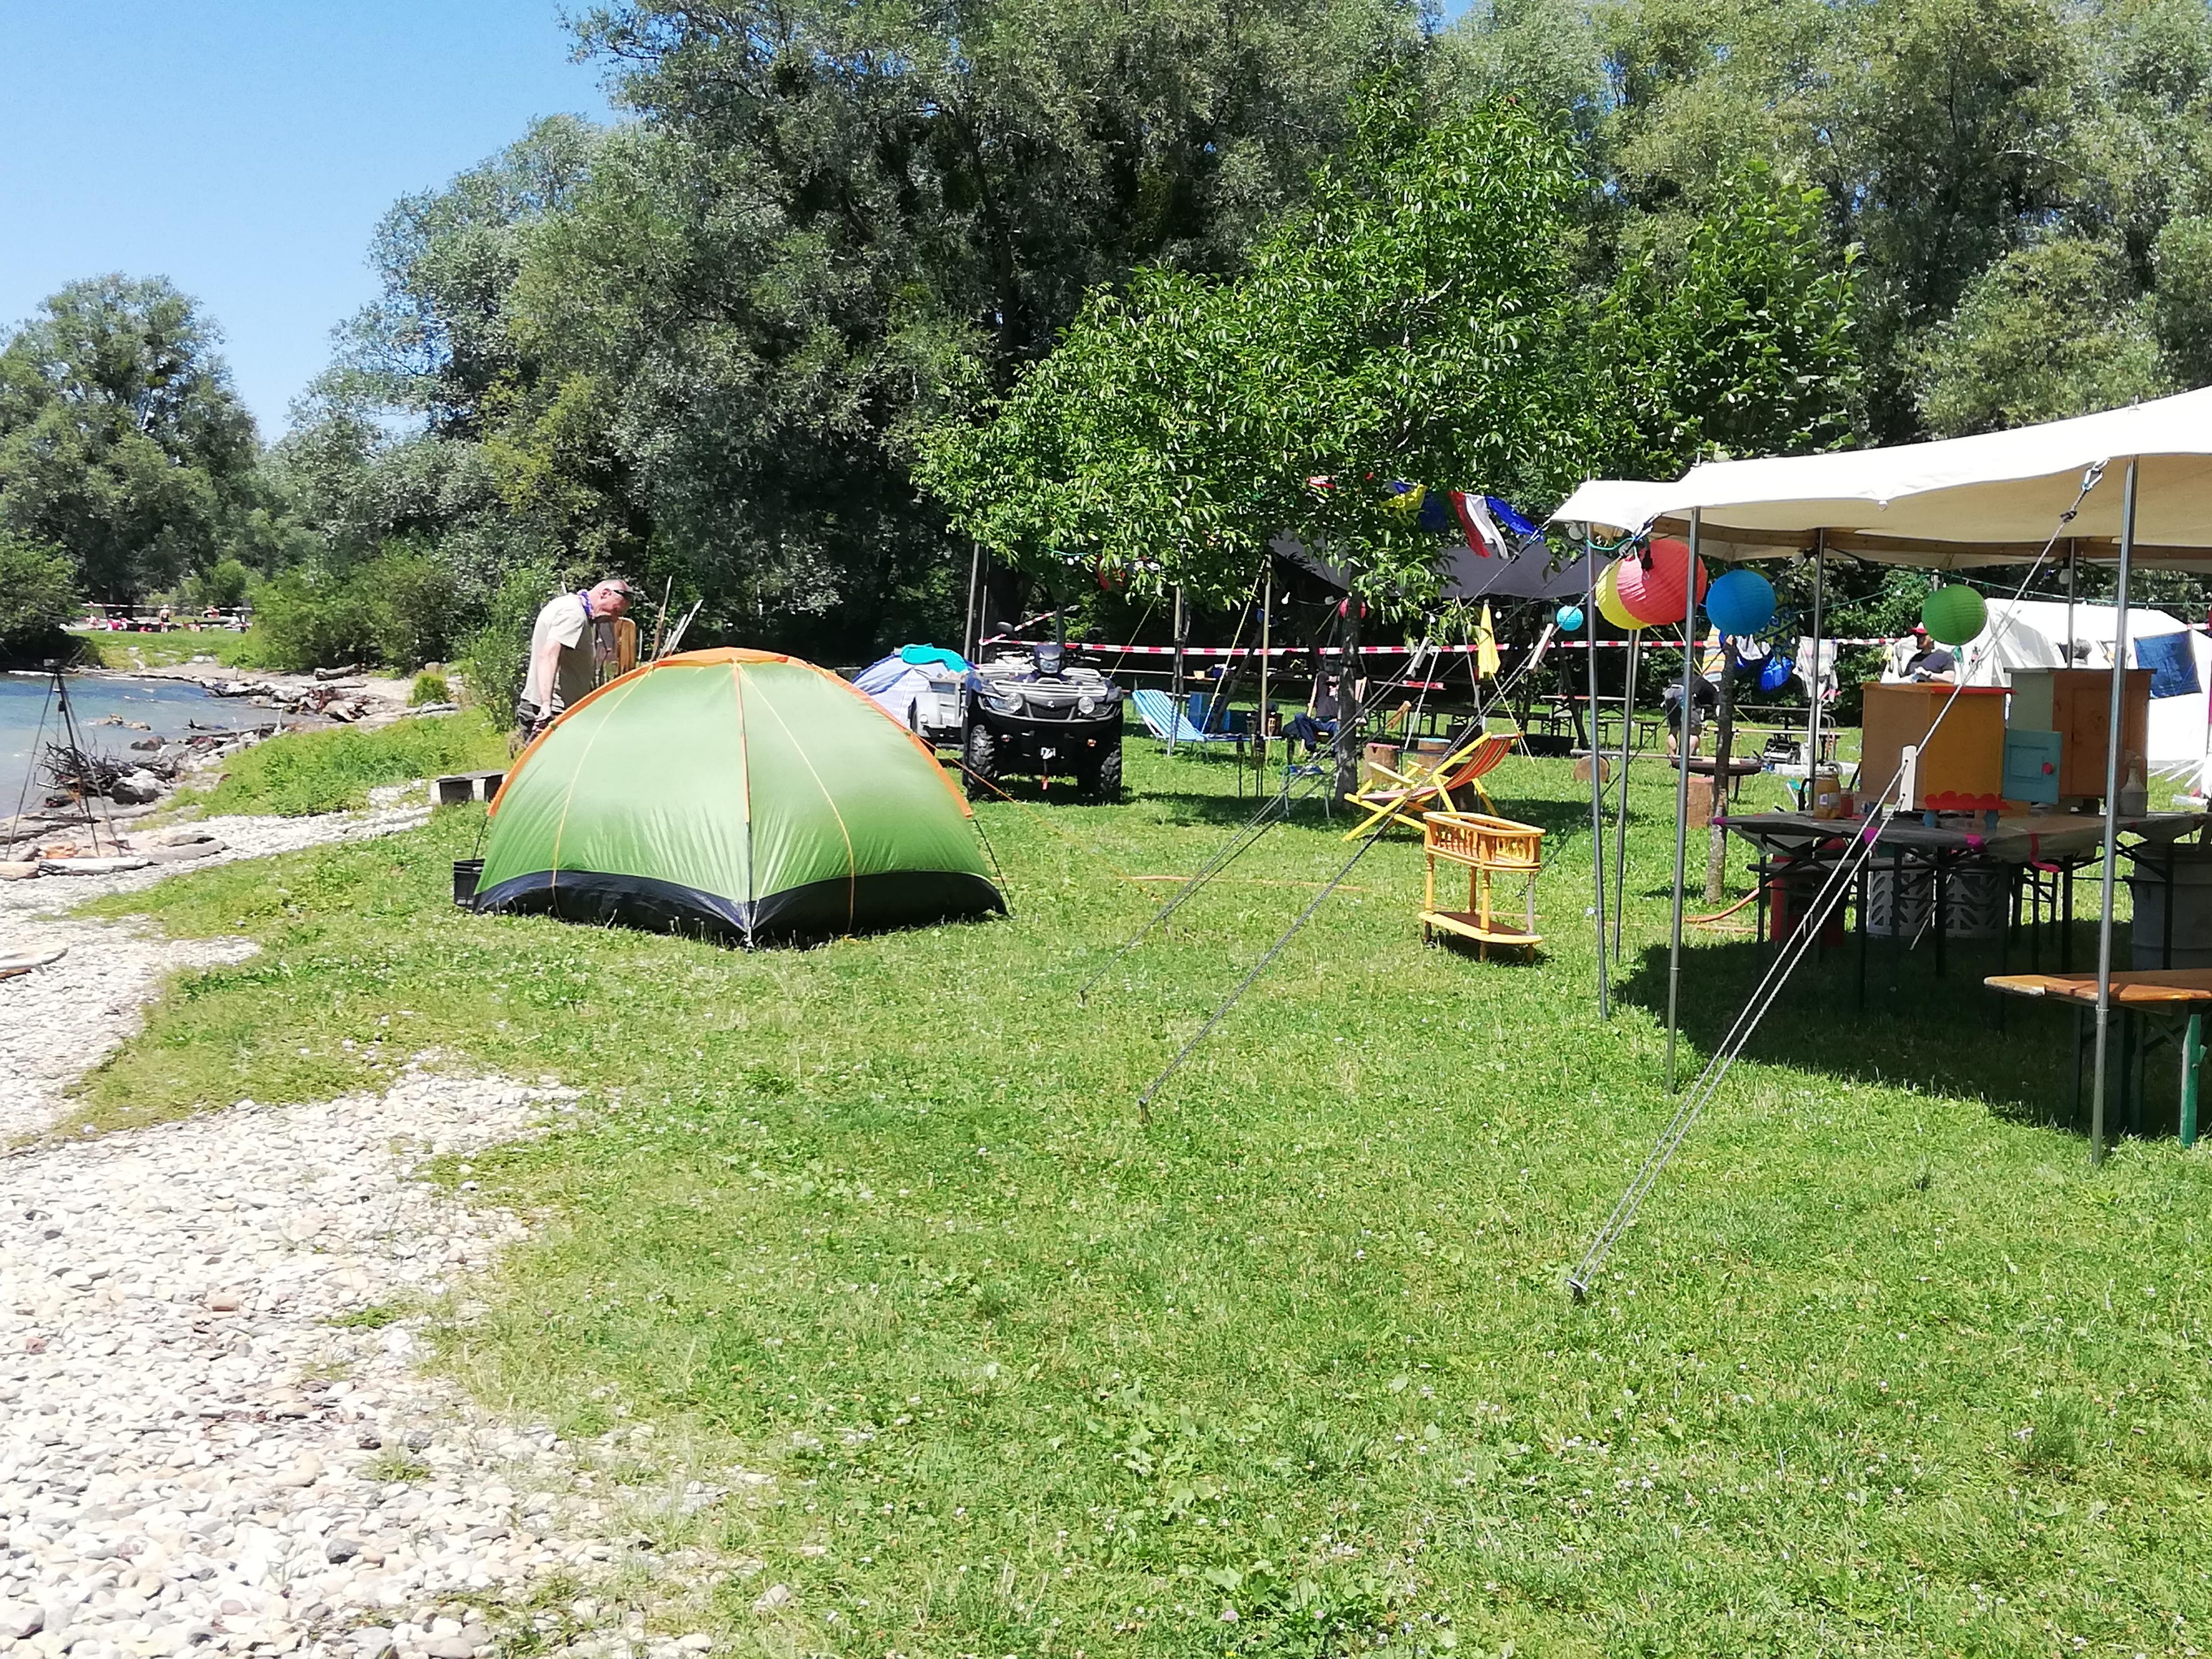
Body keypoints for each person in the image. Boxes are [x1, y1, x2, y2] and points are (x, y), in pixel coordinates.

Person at [516, 578, 637, 739]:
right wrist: (546, 706)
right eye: (616, 611)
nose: (615, 619)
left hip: (551, 709)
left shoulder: (567, 604)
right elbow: (549, 654)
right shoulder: (575, 616)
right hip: (552, 714)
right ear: (605, 594)